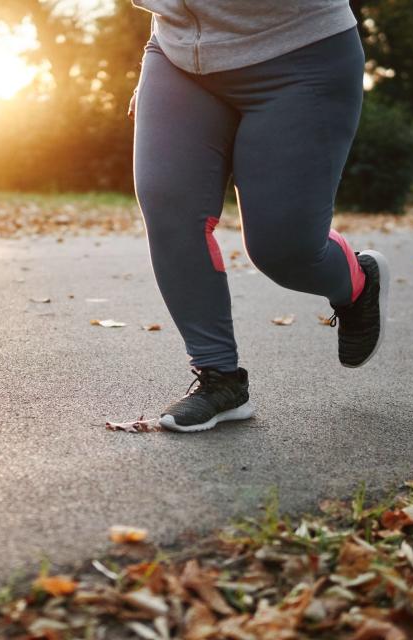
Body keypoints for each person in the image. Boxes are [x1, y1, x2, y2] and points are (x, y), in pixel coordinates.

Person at [128, 0, 390, 433]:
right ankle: (219, 378)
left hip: (300, 52)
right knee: (168, 207)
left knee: (281, 249)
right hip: (178, 54)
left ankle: (356, 281)